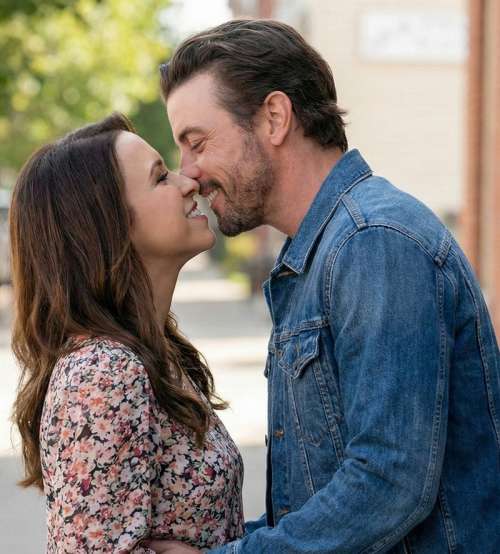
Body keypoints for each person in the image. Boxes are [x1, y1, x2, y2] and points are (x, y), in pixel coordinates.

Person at [156, 18, 500, 554]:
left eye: (197, 143)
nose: (189, 173)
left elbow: (388, 483)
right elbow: (315, 504)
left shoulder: (373, 241)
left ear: (274, 118)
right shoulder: (319, 255)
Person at [10, 113, 244, 552]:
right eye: (160, 178)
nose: (188, 182)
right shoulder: (103, 373)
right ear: (108, 226)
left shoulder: (157, 354)